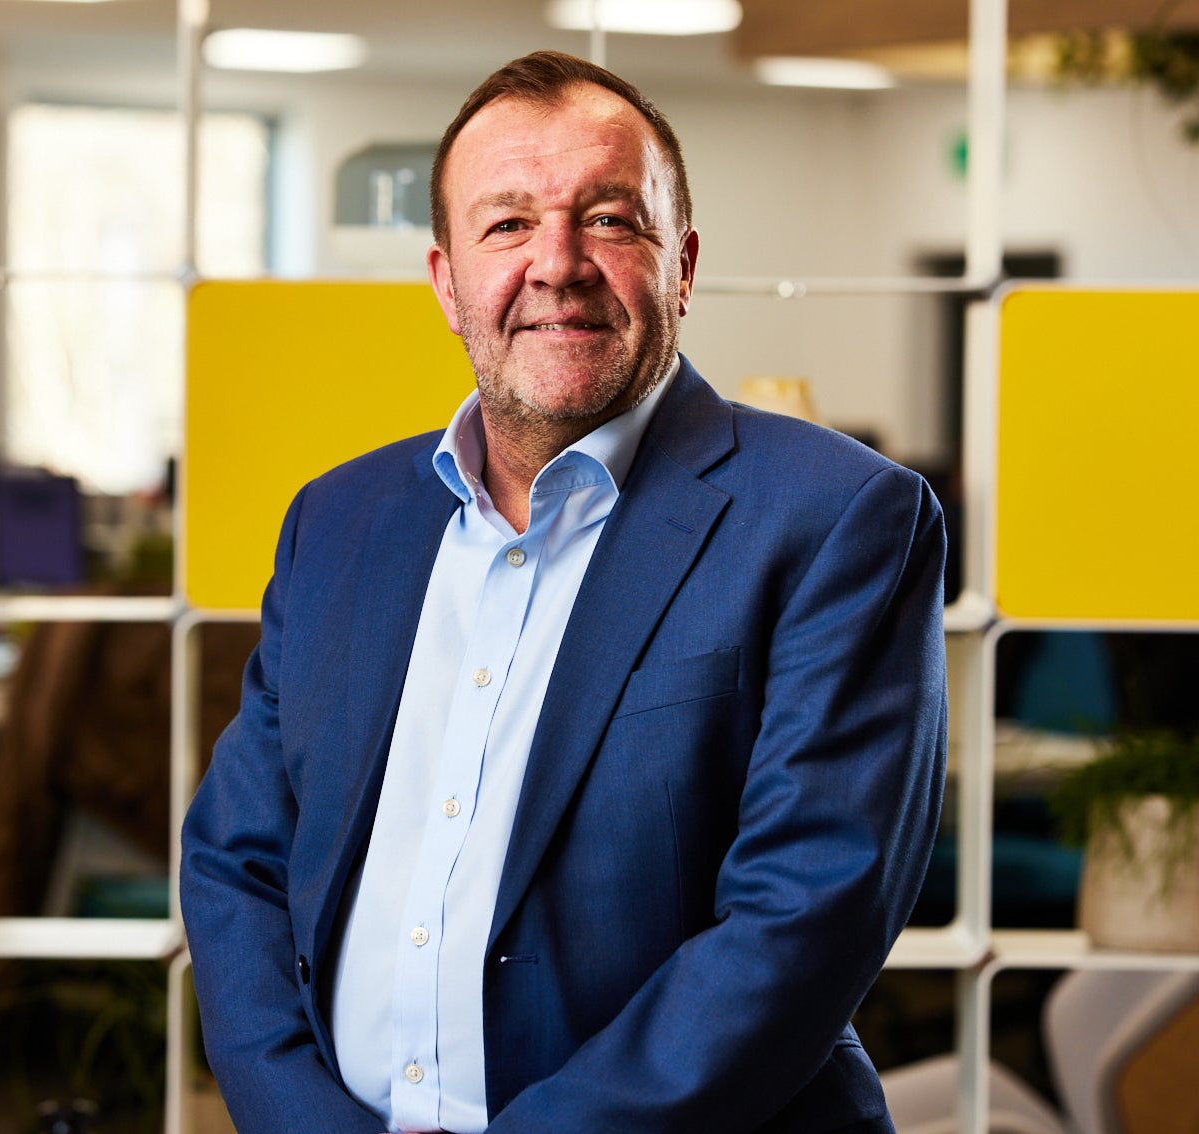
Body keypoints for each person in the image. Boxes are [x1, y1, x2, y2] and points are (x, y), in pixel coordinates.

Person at [181, 50, 948, 1134]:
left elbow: (802, 921)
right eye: (507, 225)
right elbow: (238, 864)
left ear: (681, 266)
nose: (558, 264)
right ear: (446, 284)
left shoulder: (835, 519)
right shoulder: (338, 523)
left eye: (608, 220)